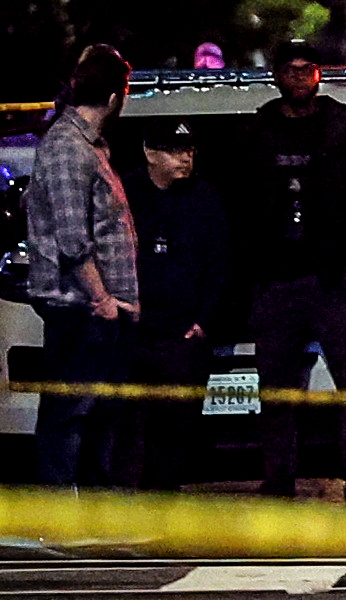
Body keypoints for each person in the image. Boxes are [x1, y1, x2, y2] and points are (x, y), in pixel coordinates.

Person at [241, 41, 346, 500]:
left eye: (309, 69)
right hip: (278, 280)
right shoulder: (258, 130)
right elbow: (239, 205)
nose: (300, 77)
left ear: (320, 75)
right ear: (276, 76)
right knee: (277, 397)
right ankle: (278, 482)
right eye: (290, 69)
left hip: (339, 283)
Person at [25, 47, 140, 489]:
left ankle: (94, 514)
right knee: (69, 414)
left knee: (99, 416)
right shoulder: (67, 148)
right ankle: (61, 516)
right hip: (81, 309)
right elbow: (73, 240)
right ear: (115, 97)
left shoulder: (89, 146)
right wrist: (103, 299)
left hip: (102, 309)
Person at [126, 120, 228, 489]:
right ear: (150, 153)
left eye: (189, 150)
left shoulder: (204, 199)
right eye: (175, 150)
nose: (186, 158)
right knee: (131, 429)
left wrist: (203, 321)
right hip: (135, 332)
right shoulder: (126, 194)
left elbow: (219, 265)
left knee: (176, 432)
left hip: (180, 334)